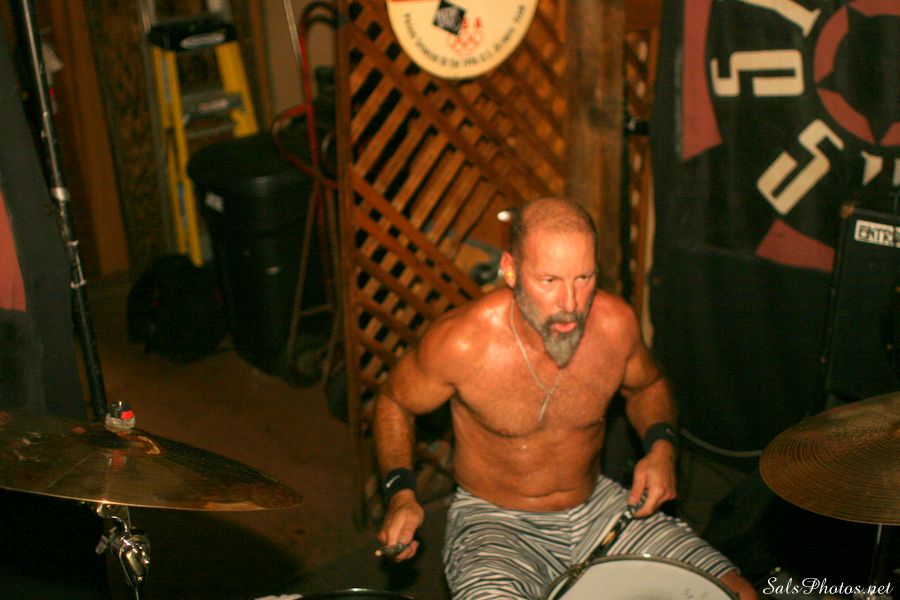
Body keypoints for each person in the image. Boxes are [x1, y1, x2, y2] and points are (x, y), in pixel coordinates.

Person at [374, 198, 758, 599]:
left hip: (599, 508)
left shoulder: (615, 326)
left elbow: (648, 386)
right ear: (511, 270)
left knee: (738, 594)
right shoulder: (462, 343)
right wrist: (401, 493)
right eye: (549, 281)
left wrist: (662, 448)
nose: (571, 304)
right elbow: (395, 402)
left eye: (584, 277)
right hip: (495, 523)